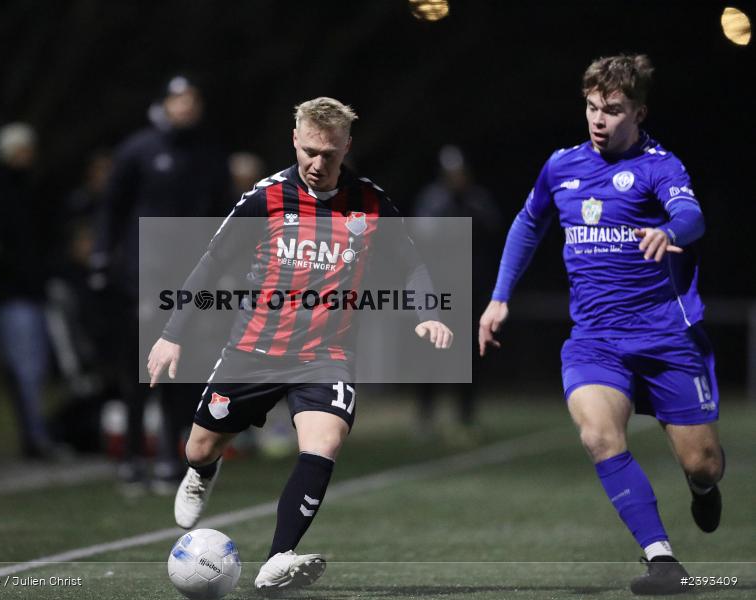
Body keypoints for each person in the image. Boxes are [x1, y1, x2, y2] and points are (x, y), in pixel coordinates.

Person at [147, 97, 453, 593]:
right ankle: (202, 471)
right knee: (199, 446)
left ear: (346, 147)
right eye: (310, 151)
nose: (317, 163)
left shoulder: (370, 202)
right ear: (295, 140)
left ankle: (278, 557)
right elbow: (211, 263)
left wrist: (428, 313)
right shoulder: (264, 199)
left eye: (329, 154)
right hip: (252, 350)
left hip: (324, 356)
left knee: (324, 442)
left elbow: (411, 262)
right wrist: (170, 335)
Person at [478, 55, 723, 595]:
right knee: (598, 434)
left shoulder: (662, 165)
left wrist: (668, 229)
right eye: (592, 107)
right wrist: (499, 299)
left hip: (666, 337)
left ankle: (703, 490)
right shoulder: (561, 166)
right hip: (595, 340)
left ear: (638, 111)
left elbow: (692, 216)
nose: (598, 119)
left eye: (612, 110)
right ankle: (662, 559)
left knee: (703, 463)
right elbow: (527, 224)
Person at [91, 75, 229, 490]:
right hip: (142, 274)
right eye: (178, 100)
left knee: (181, 370)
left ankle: (171, 453)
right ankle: (133, 455)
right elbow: (112, 206)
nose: (185, 107)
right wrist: (103, 254)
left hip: (189, 277)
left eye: (192, 100)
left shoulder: (209, 153)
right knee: (139, 367)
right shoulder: (139, 148)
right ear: (165, 103)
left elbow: (225, 211)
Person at [413, 145, 501, 438]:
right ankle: (425, 417)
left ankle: (466, 416)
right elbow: (423, 238)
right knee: (430, 353)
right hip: (438, 291)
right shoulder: (433, 201)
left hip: (469, 289)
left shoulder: (477, 200)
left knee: (469, 354)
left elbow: (494, 232)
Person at [0, 122, 55, 459]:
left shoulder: (30, 189)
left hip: (31, 292)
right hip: (12, 294)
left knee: (36, 367)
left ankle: (36, 434)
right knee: (25, 368)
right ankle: (34, 437)